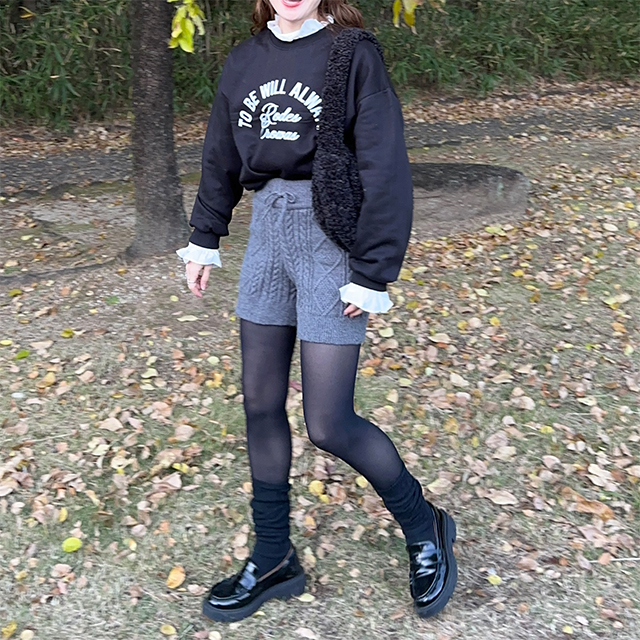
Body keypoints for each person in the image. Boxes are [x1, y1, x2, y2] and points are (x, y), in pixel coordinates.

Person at [176, 0, 457, 623]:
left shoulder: (351, 54)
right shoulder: (246, 59)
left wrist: (372, 270)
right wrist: (204, 236)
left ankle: (426, 525)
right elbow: (221, 153)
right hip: (268, 234)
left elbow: (385, 165)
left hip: (329, 235)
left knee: (328, 422)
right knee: (259, 401)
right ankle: (274, 557)